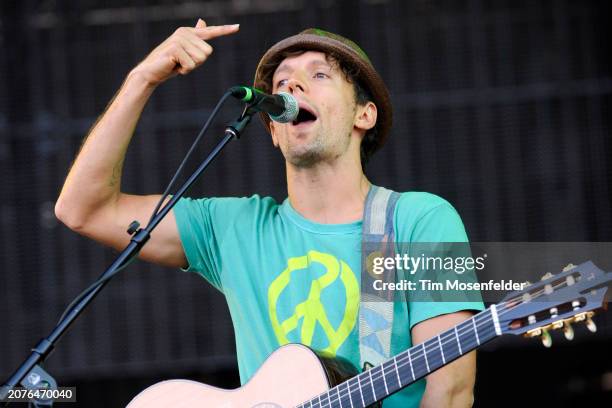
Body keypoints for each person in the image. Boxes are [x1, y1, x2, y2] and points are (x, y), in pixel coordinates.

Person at [55, 19, 481, 407]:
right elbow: (84, 210)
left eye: (318, 74)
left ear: (363, 114)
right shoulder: (232, 228)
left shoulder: (418, 220)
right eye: (282, 81)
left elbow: (451, 391)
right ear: (274, 130)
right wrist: (141, 79)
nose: (292, 87)